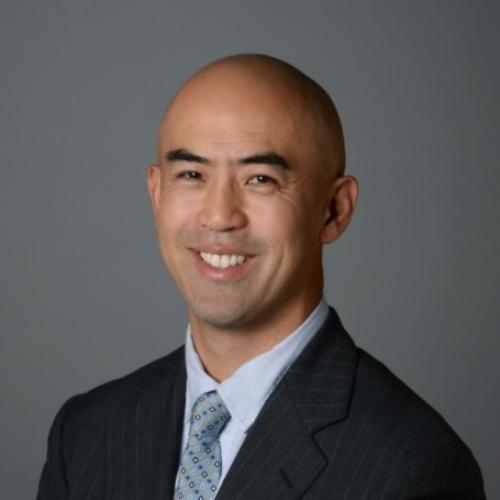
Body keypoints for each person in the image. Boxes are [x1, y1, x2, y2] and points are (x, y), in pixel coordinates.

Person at [37, 54, 486, 500]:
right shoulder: (85, 433)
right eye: (191, 174)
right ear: (157, 194)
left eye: (260, 179)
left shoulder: (414, 467)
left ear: (334, 210)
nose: (219, 216)